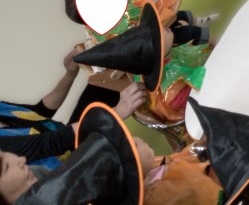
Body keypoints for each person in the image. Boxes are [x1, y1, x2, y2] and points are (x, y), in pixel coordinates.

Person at [0, 45, 147, 168]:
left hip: (67, 136)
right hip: (74, 165)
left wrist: (70, 74)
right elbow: (52, 143)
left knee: (106, 79)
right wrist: (117, 112)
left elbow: (40, 111)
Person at [74, 2, 211, 124]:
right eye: (157, 35)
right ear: (154, 54)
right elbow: (204, 95)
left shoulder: (169, 56)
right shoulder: (172, 90)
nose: (162, 27)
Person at [0, 103, 144, 205]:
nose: (21, 159)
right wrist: (133, 166)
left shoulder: (37, 173)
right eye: (6, 167)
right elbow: (50, 142)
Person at [65, 0, 218, 52]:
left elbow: (133, 3)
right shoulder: (107, 28)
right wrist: (149, 4)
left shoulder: (95, 27)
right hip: (152, 42)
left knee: (179, 15)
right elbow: (138, 21)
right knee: (188, 32)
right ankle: (212, 42)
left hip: (155, 28)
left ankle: (199, 21)